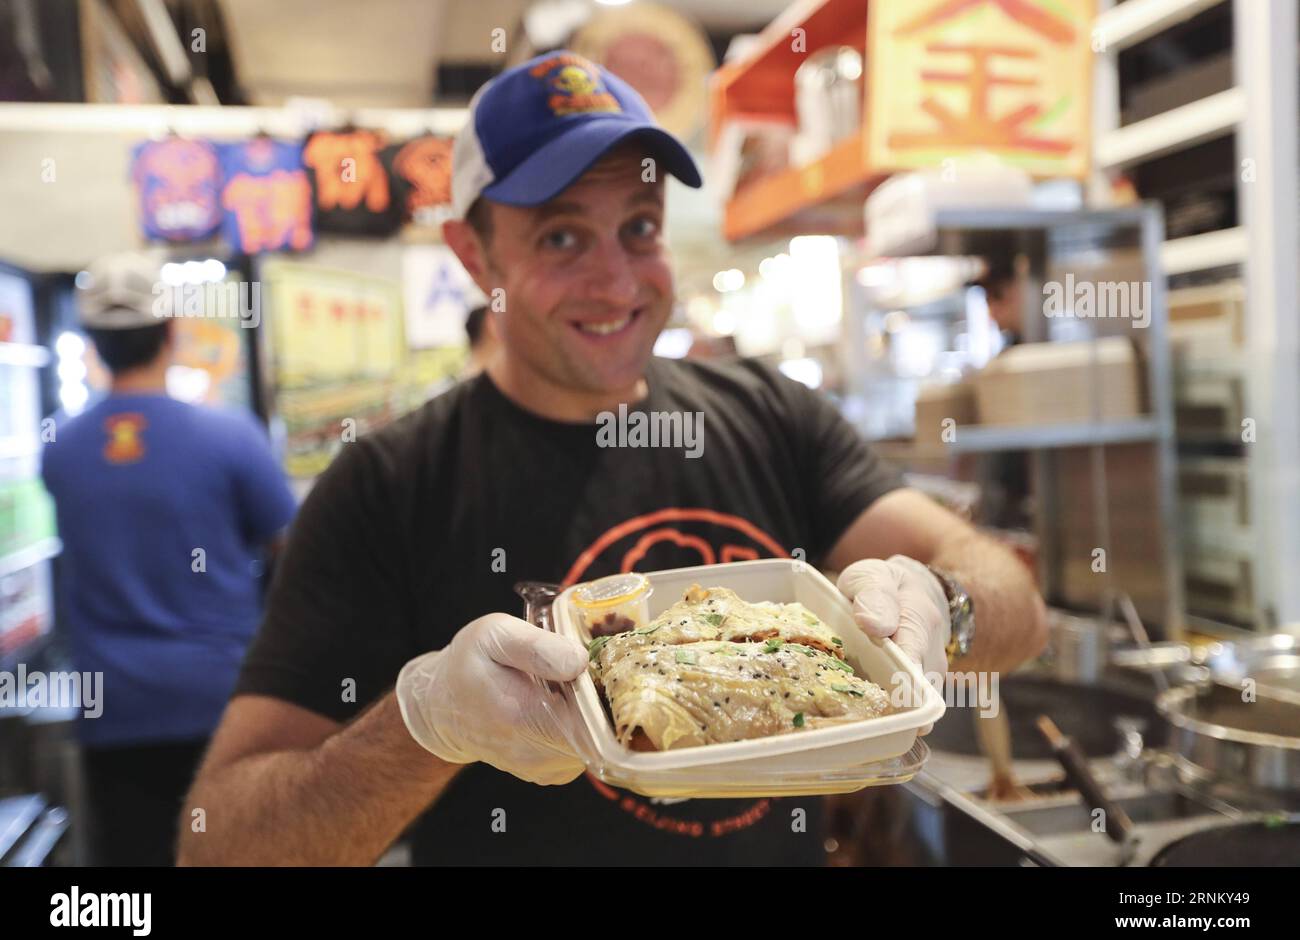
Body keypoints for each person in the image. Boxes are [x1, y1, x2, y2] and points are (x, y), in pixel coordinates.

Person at [180, 52, 1046, 867]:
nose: (618, 281)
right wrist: (426, 727)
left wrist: (945, 605)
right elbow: (217, 844)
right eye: (561, 238)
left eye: (640, 227)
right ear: (474, 255)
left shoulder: (769, 416)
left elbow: (1018, 604)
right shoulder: (390, 486)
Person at [41, 251, 297, 865]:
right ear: (171, 332)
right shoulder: (231, 436)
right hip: (224, 700)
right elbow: (294, 551)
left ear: (94, 345)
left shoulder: (60, 448)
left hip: (114, 708)